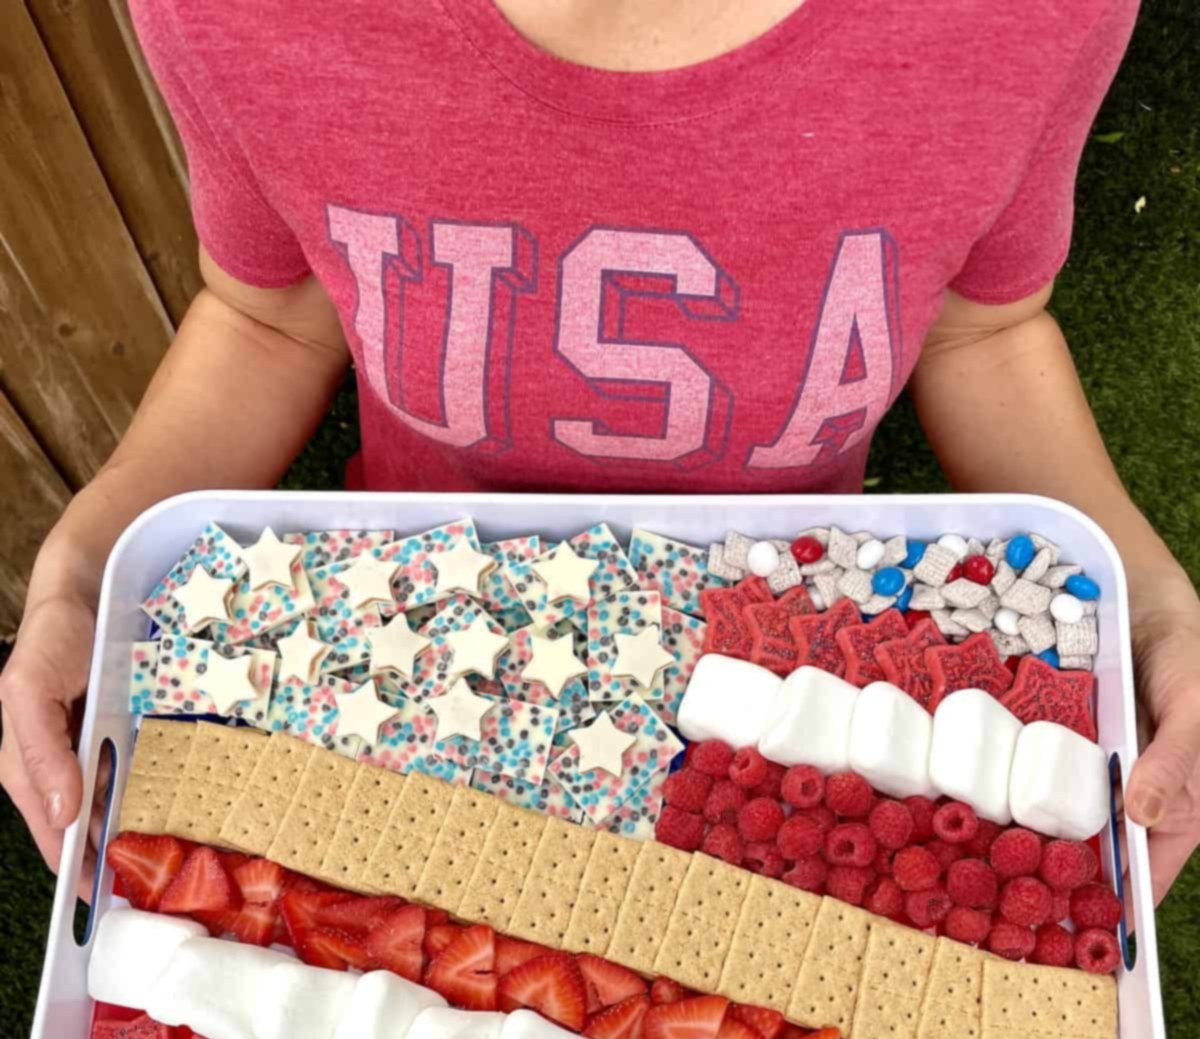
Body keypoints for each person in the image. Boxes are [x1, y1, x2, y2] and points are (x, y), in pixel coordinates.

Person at [2, 0, 1197, 903]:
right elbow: (268, 314)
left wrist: (1149, 616)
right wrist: (82, 573)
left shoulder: (1037, 16)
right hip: (419, 637)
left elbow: (982, 328)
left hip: (777, 625)